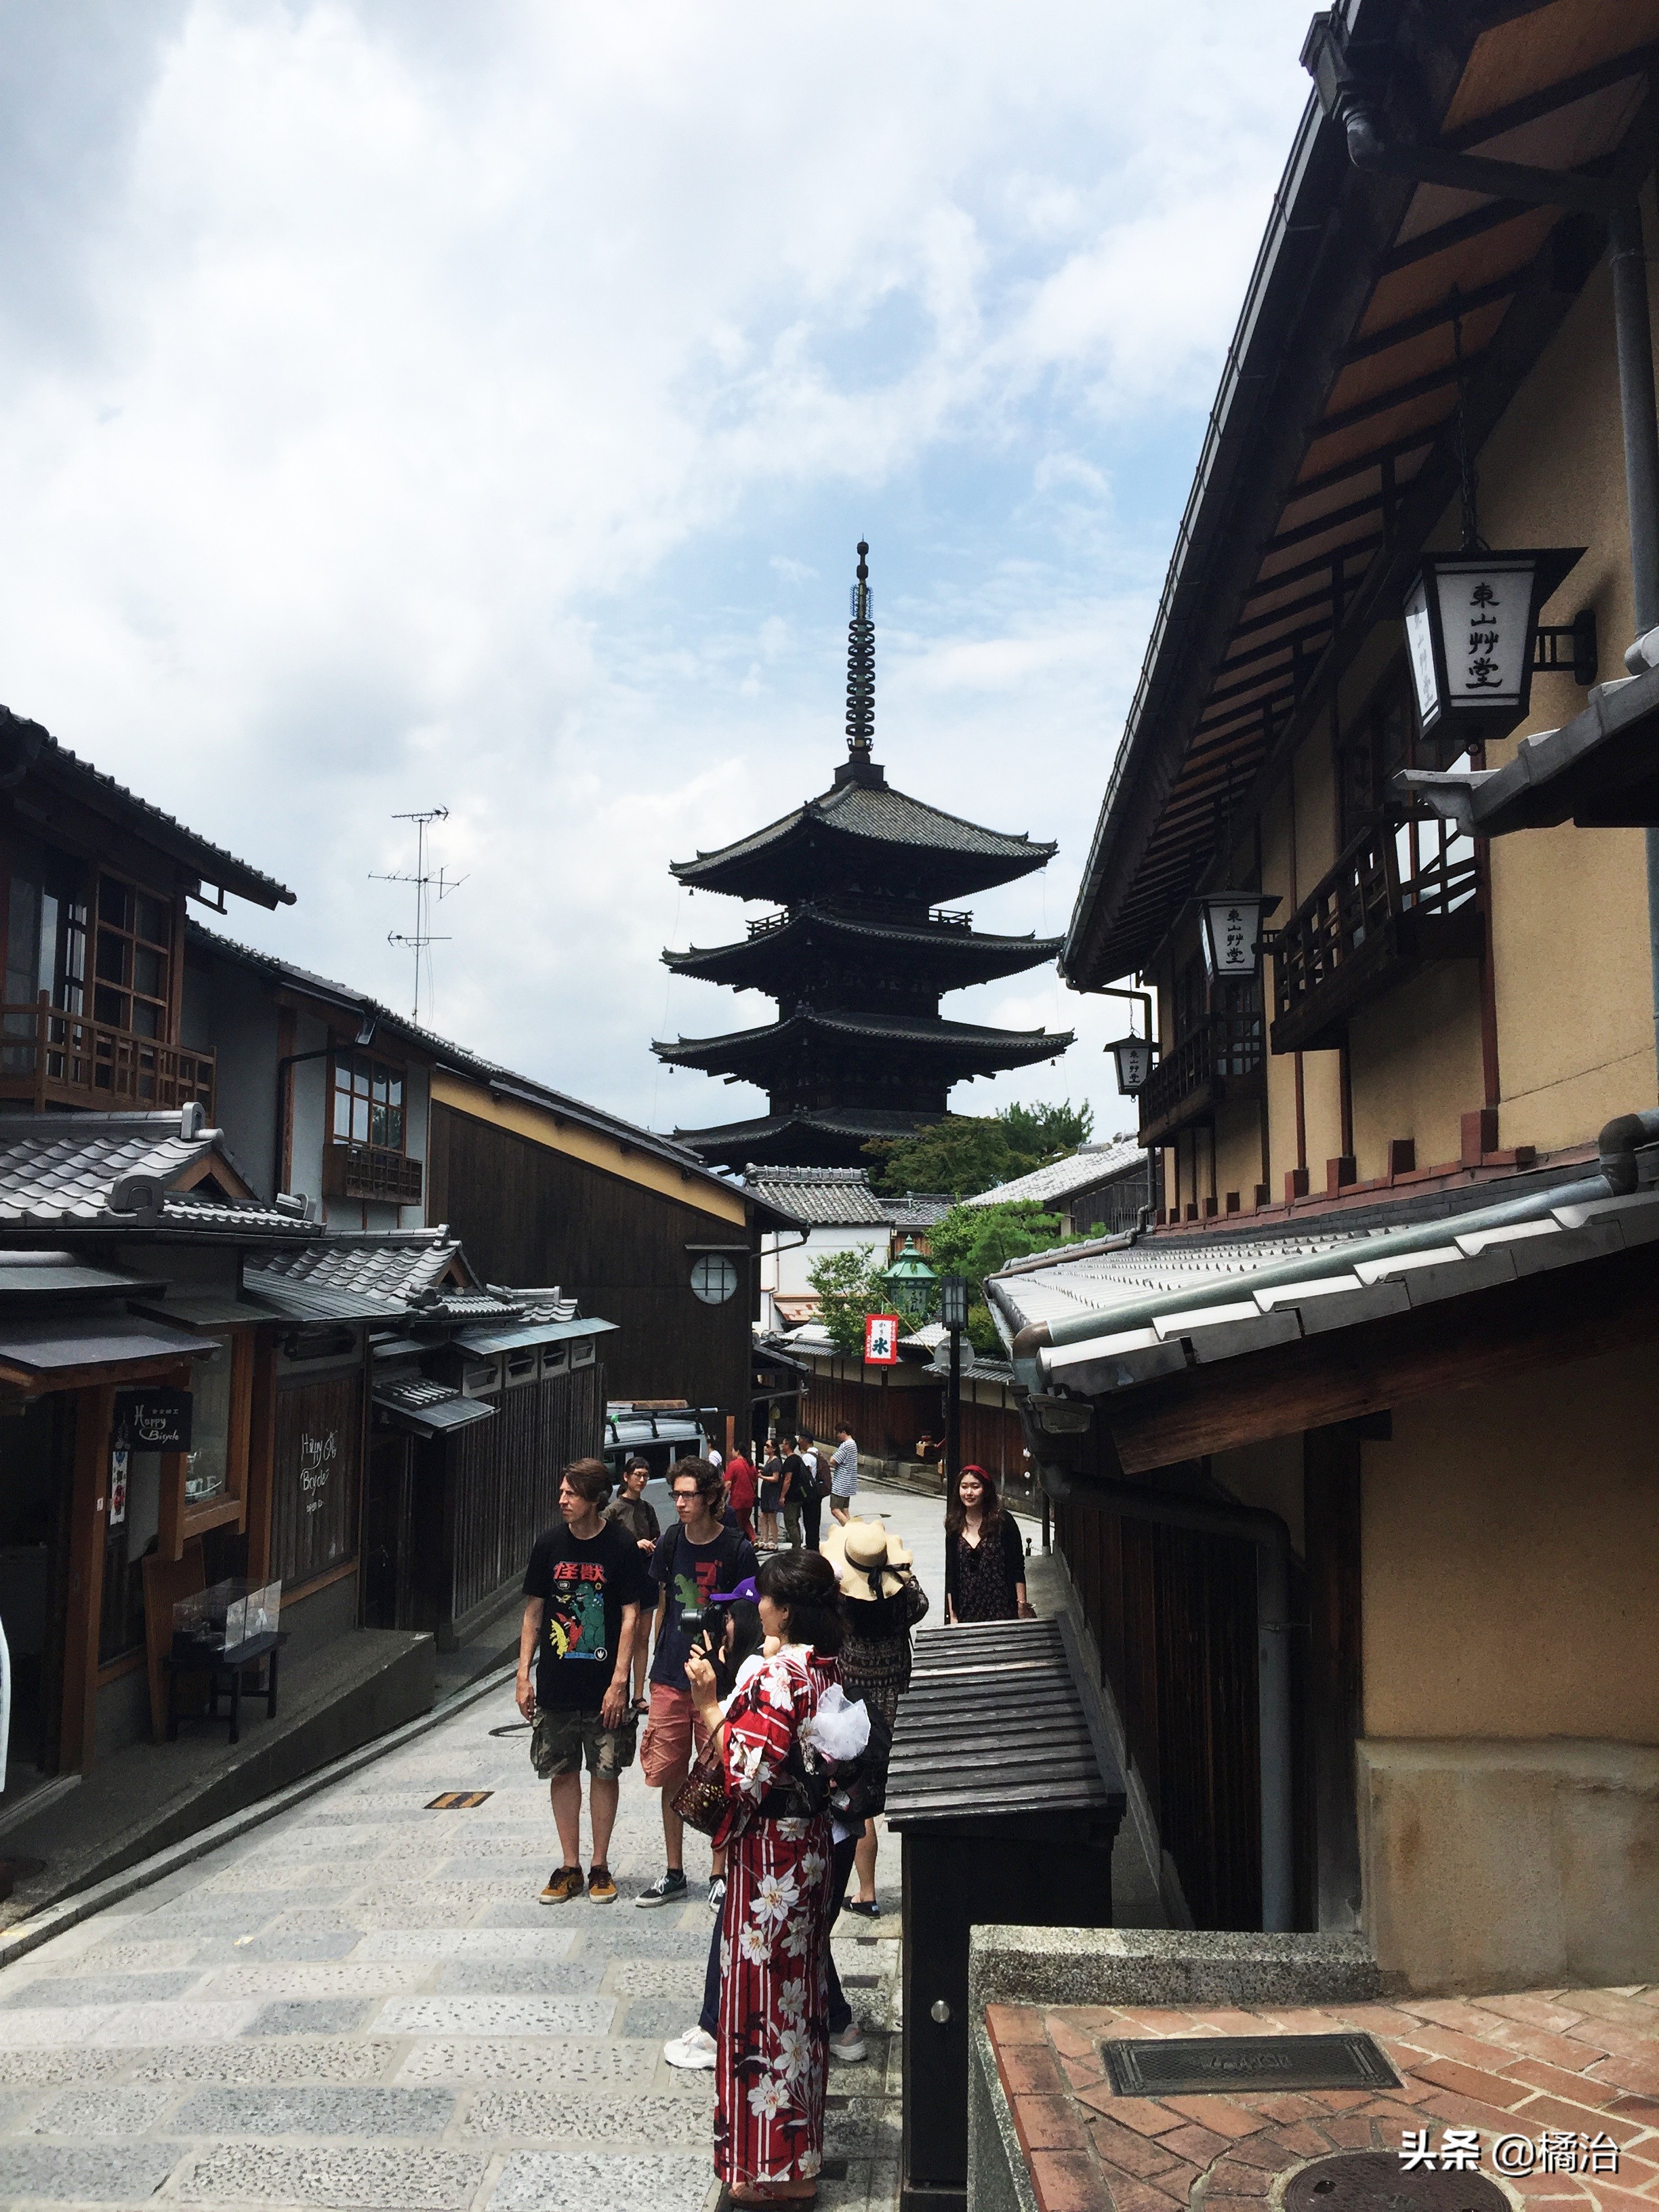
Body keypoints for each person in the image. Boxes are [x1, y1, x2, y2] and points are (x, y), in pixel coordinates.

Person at [686, 1549, 844, 2202]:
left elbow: (740, 1778)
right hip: (807, 1847)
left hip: (768, 1861)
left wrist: (706, 1705)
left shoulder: (779, 1676)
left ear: (784, 1609)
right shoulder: (822, 1668)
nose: (757, 1605)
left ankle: (761, 2172)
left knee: (756, 2008)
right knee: (799, 2005)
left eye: (766, 1598)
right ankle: (799, 2160)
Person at [516, 1458, 646, 1904]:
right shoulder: (549, 1545)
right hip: (556, 1680)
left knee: (605, 1772)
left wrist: (620, 1681)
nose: (562, 1500)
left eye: (571, 1494)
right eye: (562, 1492)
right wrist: (522, 1675)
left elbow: (632, 1615)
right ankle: (570, 1864)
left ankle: (600, 1865)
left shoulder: (621, 1546)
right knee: (561, 1770)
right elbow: (534, 1611)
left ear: (594, 1500)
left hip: (603, 1682)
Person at [638, 1458, 758, 1908]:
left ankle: (719, 1870)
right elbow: (662, 1604)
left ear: (710, 1497)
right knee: (670, 1772)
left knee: (722, 1771)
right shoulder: (670, 1542)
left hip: (719, 1679)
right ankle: (673, 1870)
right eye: (677, 1495)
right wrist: (649, 1667)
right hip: (670, 1673)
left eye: (689, 1495)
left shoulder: (736, 1547)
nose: (681, 1503)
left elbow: (747, 1617)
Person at [822, 1516, 928, 1919]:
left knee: (858, 1792)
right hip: (895, 1694)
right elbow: (920, 1602)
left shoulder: (842, 1603)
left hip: (854, 1702)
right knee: (889, 1783)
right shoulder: (903, 1602)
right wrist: (899, 1572)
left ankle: (866, 1890)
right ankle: (881, 1886)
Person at [605, 1460, 660, 1711]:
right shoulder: (614, 1510)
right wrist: (634, 1545)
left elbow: (657, 1536)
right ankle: (619, 1688)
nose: (642, 1480)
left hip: (646, 1575)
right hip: (624, 1577)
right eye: (637, 1475)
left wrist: (649, 1545)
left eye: (646, 1476)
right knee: (623, 1634)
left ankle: (638, 1695)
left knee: (643, 1637)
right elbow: (604, 1543)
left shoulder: (648, 1509)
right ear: (626, 1477)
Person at [944, 1464, 1030, 1624]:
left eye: (975, 1487)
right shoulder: (954, 1525)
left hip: (1002, 1607)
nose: (969, 1493)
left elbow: (1017, 1566)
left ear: (986, 1490)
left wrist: (1022, 1605)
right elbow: (952, 1572)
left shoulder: (1004, 1522)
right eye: (964, 1487)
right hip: (967, 1609)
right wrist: (952, 1614)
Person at [794, 1429, 826, 1552]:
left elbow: (805, 1476)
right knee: (815, 1521)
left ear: (805, 1440)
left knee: (809, 1522)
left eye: (800, 1440)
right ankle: (814, 1545)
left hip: (809, 1493)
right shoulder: (817, 1453)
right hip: (817, 1491)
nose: (799, 1442)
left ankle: (811, 1547)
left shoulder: (808, 1457)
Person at [779, 1434, 806, 1551]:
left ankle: (796, 1547)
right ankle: (797, 1544)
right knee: (795, 1520)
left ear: (788, 1446)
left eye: (784, 1443)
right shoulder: (798, 1459)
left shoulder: (791, 1461)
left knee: (790, 1521)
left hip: (792, 1496)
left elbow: (787, 1480)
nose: (782, 1446)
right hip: (799, 1495)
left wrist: (782, 1496)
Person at [829, 1422, 859, 1525]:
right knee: (844, 1509)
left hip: (841, 1483)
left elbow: (833, 1460)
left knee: (835, 1510)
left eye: (838, 1433)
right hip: (849, 1482)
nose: (837, 1435)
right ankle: (851, 1530)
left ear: (844, 1432)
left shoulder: (846, 1445)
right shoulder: (853, 1444)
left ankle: (849, 1531)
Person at [726, 1446, 758, 1540]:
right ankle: (754, 1540)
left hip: (738, 1499)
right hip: (750, 1498)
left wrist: (723, 1497)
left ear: (738, 1451)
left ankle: (738, 1543)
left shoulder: (734, 1464)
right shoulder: (750, 1464)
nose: (732, 1453)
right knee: (746, 1521)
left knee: (737, 1523)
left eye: (733, 1450)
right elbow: (755, 1480)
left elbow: (728, 1483)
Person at [758, 1439, 783, 1551]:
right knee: (763, 1515)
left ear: (774, 1448)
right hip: (766, 1491)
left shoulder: (776, 1461)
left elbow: (775, 1478)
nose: (766, 1447)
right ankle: (765, 1539)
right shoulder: (769, 1460)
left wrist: (762, 1477)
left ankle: (775, 1541)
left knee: (772, 1517)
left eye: (768, 1446)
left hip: (773, 1491)